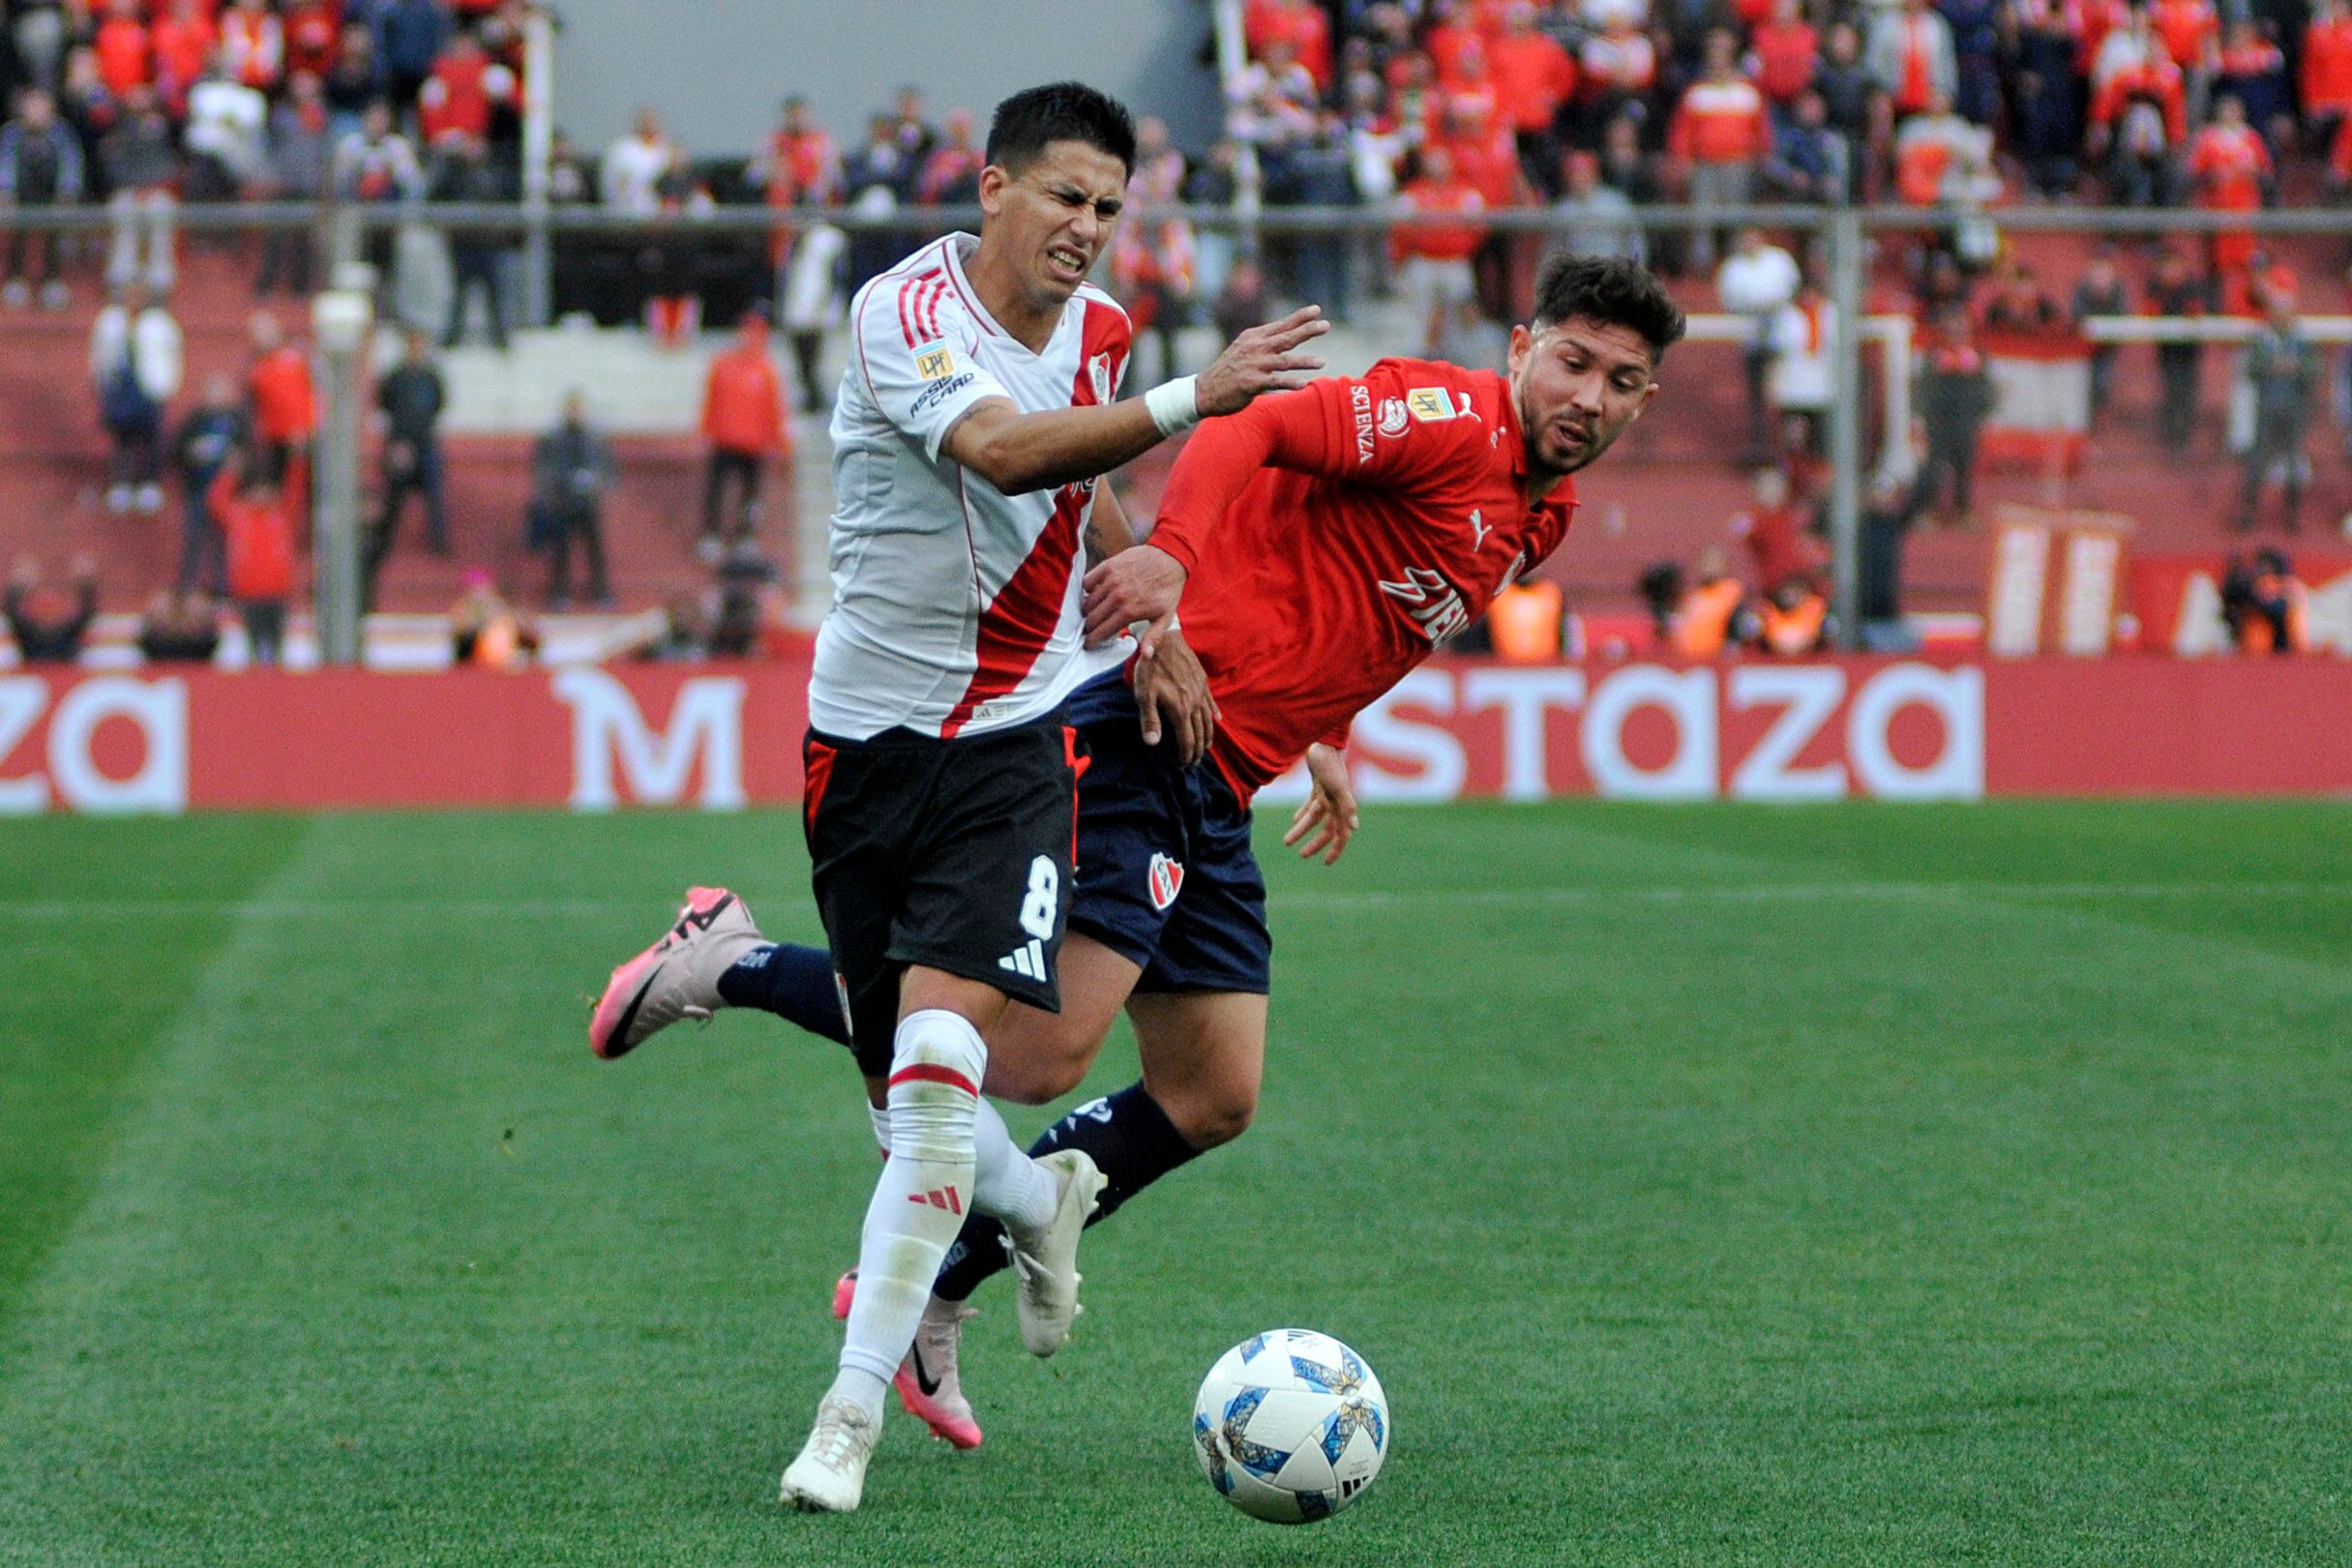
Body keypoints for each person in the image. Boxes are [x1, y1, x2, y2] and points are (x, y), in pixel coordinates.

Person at [600, 252, 1676, 1465]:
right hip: (1146, 723)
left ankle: (940, 1281)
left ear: (1645, 400)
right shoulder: (1444, 417)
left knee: (1212, 1091)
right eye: (1572, 362)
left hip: (1227, 767)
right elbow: (1253, 428)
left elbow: (1355, 587)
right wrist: (1170, 561)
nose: (1587, 396)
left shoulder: (1543, 510)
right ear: (1523, 345)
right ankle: (732, 961)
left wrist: (1326, 733)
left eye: (1619, 381)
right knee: (1027, 1057)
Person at [586, 81, 1327, 1515]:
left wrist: (1156, 620)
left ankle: (846, 1417)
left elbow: (1080, 483)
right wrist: (1198, 397)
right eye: (1062, 196)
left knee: (944, 1079)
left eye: (1107, 207)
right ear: (992, 187)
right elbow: (1000, 448)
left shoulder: (1099, 333)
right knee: (912, 1107)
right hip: (862, 755)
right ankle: (1023, 1187)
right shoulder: (903, 312)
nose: (1085, 228)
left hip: (1013, 750)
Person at [698, 309, 789, 561]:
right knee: (716, 490)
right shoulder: (723, 364)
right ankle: (712, 535)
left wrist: (778, 441)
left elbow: (773, 408)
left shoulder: (766, 370)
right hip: (725, 440)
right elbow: (712, 400)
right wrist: (707, 429)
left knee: (751, 494)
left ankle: (745, 537)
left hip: (753, 444)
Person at [365, 329, 449, 597]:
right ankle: (385, 539)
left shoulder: (431, 376)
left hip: (425, 441)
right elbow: (385, 403)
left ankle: (438, 538)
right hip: (400, 442)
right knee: (395, 493)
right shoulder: (396, 377)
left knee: (434, 491)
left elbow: (439, 404)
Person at [91, 281, 182, 515]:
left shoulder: (161, 323)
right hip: (120, 386)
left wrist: (169, 384)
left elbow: (173, 355)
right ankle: (121, 484)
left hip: (150, 386)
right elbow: (99, 353)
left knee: (151, 435)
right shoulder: (110, 320)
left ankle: (149, 484)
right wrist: (100, 382)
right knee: (122, 436)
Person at [2236, 285, 2317, 532]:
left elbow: (2315, 369)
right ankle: (2249, 511)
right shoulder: (2262, 341)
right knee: (2258, 459)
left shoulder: (2302, 342)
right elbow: (2250, 368)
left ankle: (2292, 514)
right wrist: (2272, 366)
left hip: (2294, 408)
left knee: (2294, 460)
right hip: (2267, 407)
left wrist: (2296, 367)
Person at [1716, 228, 1800, 464]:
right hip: (1752, 339)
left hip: (1782, 338)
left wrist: (1771, 304)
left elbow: (1791, 291)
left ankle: (1788, 448)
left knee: (1785, 393)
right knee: (1757, 396)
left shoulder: (1779, 260)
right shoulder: (1733, 268)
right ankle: (1760, 446)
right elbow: (1730, 301)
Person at [0, 88, 86, 310]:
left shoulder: (62, 133)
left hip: (52, 195)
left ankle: (52, 282)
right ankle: (15, 280)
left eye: (41, 107)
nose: (37, 112)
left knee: (53, 236)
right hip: (21, 196)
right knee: (17, 235)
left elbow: (71, 163)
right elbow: (5, 163)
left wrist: (67, 193)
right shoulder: (11, 133)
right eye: (32, 107)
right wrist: (6, 193)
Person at [532, 390, 614, 608]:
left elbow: (607, 468)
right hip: (563, 502)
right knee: (562, 550)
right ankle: (560, 592)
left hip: (588, 502)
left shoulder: (595, 437)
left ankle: (600, 590)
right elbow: (544, 468)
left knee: (594, 548)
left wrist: (594, 481)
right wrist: (558, 487)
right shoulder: (553, 437)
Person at [1915, 304, 1994, 527]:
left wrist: (1983, 410)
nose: (1956, 335)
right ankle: (1929, 509)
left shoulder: (1977, 355)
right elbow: (1923, 386)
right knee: (1933, 466)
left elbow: (1985, 387)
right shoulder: (1934, 356)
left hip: (1966, 418)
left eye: (1960, 330)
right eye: (1950, 331)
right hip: (1938, 418)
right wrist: (1921, 413)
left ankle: (1963, 510)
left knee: (1964, 464)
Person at [214, 459, 296, 665]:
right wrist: (231, 472)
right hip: (248, 594)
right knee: (252, 646)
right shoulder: (238, 515)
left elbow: (296, 491)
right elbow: (216, 499)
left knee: (277, 647)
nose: (261, 496)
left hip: (277, 593)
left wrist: (297, 461)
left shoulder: (282, 515)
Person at [171, 372, 247, 594]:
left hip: (227, 494)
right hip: (198, 489)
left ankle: (223, 587)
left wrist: (237, 465)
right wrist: (190, 453)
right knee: (194, 539)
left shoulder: (237, 421)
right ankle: (189, 586)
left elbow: (248, 452)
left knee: (223, 542)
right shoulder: (195, 421)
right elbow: (176, 449)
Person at [248, 310, 317, 487]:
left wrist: (303, 428)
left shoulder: (296, 359)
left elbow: (308, 395)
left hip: (302, 435)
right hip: (275, 440)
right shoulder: (255, 368)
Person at [5, 554, 99, 663]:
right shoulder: (27, 637)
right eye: (44, 610)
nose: (48, 614)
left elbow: (86, 613)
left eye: (50, 610)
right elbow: (11, 613)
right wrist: (18, 585)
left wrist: (85, 583)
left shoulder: (69, 635)